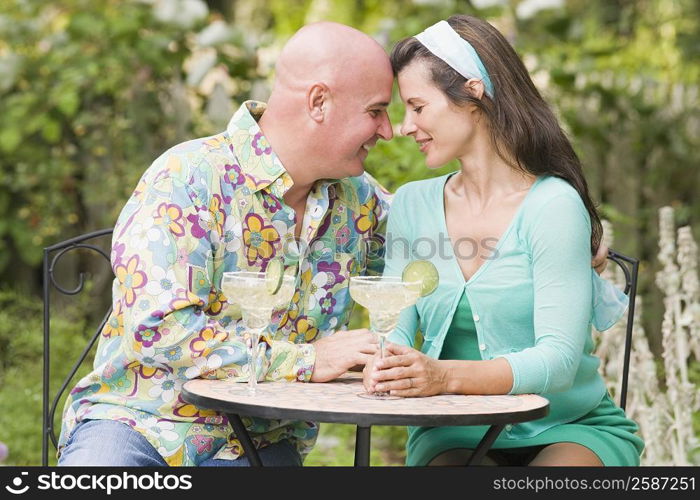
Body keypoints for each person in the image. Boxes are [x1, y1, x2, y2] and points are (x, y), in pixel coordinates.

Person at [58, 20, 612, 467]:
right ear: (319, 102)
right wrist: (308, 359)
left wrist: (576, 231)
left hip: (258, 440)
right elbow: (159, 330)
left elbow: (464, 233)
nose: (390, 129)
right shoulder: (186, 179)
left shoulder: (360, 203)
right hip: (140, 424)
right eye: (376, 110)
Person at [363, 15, 644, 466]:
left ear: (473, 94)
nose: (405, 126)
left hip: (567, 425)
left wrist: (441, 375)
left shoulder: (552, 205)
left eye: (417, 106)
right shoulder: (414, 205)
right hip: (454, 431)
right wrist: (387, 360)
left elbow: (558, 361)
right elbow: (392, 323)